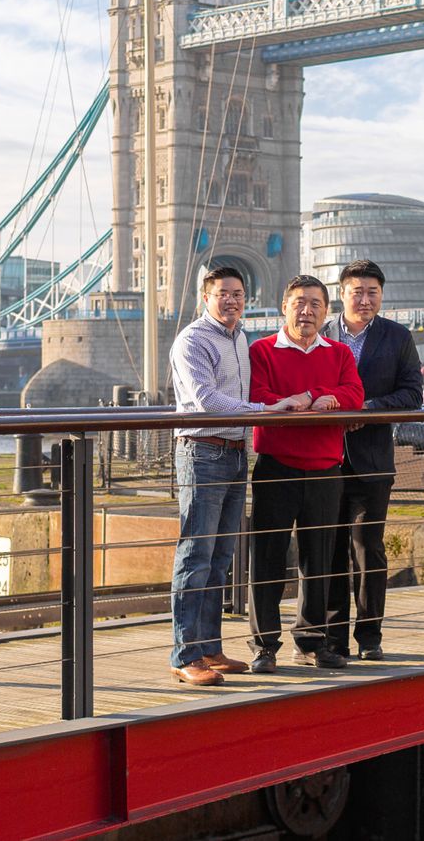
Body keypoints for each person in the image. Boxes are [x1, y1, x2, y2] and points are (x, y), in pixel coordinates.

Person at [246, 275, 364, 673]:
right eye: (299, 302)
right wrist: (310, 402)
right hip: (276, 468)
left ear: (326, 311)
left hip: (325, 470)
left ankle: (313, 642)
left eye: (315, 303)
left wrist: (309, 398)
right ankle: (264, 646)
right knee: (267, 559)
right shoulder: (261, 351)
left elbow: (354, 395)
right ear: (284, 307)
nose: (306, 310)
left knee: (320, 562)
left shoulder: (340, 354)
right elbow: (259, 399)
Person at [323, 260, 424, 662]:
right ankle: (332, 639)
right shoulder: (321, 334)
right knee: (328, 549)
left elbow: (412, 395)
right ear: (341, 293)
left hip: (373, 459)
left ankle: (369, 636)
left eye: (373, 293)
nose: (365, 300)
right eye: (357, 292)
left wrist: (368, 407)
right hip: (325, 459)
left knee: (368, 549)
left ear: (381, 295)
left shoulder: (398, 337)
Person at [165, 265, 254, 687]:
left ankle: (211, 648)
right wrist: (267, 413)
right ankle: (184, 655)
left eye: (238, 293)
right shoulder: (192, 340)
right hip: (202, 452)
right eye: (223, 293)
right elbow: (206, 401)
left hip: (236, 454)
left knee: (220, 559)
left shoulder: (241, 338)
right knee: (195, 557)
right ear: (206, 298)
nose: (232, 300)